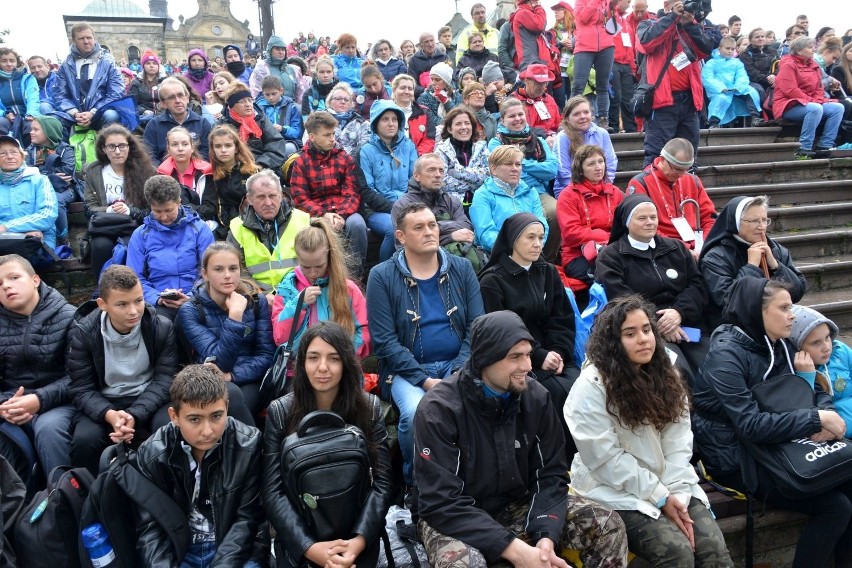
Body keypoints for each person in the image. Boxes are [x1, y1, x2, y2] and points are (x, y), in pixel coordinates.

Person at [413, 309, 628, 567]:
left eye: (527, 354)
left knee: (606, 524)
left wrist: (546, 535)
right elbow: (440, 501)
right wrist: (515, 550)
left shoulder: (536, 397)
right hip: (453, 516)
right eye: (514, 357)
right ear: (484, 359)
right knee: (462, 564)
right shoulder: (439, 409)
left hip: (515, 505)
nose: (527, 366)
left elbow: (551, 474)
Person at [692, 277, 852, 568]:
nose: (793, 314)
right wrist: (814, 418)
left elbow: (816, 388)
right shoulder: (725, 356)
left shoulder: (779, 342)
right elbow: (749, 425)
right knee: (836, 507)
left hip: (780, 442)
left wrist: (826, 419)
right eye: (784, 307)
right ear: (757, 311)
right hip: (734, 457)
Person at [566, 295, 733, 567]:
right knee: (677, 553)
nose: (643, 339)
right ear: (612, 343)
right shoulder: (590, 387)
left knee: (713, 550)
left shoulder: (666, 371)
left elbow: (679, 442)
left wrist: (676, 494)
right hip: (614, 490)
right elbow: (606, 460)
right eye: (630, 334)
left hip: (670, 481)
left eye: (646, 330)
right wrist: (660, 497)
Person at [366, 202, 483, 487]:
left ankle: (470, 482)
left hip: (459, 365)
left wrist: (457, 371)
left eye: (432, 225)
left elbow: (476, 327)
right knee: (417, 412)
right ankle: (415, 486)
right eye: (419, 227)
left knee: (479, 405)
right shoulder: (381, 276)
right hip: (407, 371)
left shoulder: (462, 267)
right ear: (400, 237)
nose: (429, 232)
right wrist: (425, 380)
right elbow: (384, 342)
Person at [263, 321, 393, 567]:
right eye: (313, 358)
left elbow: (383, 483)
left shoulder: (369, 408)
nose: (323, 367)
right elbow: (273, 492)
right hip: (303, 540)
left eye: (333, 358)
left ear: (346, 363)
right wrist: (310, 549)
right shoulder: (280, 412)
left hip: (355, 537)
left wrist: (358, 541)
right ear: (302, 363)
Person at [135, 364, 264, 567]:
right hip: (180, 548)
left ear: (227, 408)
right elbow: (150, 528)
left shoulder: (248, 444)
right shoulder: (152, 453)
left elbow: (247, 520)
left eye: (216, 416)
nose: (207, 431)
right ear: (174, 416)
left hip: (235, 548)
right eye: (194, 419)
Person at [479, 213, 580, 455]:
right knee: (550, 395)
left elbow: (562, 318)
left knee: (582, 386)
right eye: (531, 237)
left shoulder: (547, 272)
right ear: (513, 240)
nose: (538, 244)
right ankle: (555, 462)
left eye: (542, 238)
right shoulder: (492, 281)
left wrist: (558, 351)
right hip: (516, 358)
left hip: (553, 356)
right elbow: (502, 330)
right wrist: (539, 356)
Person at [67, 265, 178, 475]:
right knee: (85, 440)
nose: (134, 311)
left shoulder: (160, 327)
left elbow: (166, 380)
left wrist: (134, 414)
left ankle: (171, 493)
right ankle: (89, 496)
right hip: (105, 402)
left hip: (150, 398)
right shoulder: (85, 333)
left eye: (138, 301)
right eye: (122, 304)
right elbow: (81, 389)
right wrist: (109, 415)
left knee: (169, 428)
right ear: (102, 304)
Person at [595, 194, 710, 383]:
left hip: (687, 322)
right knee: (677, 373)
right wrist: (658, 323)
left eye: (653, 217)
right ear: (626, 222)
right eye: (642, 218)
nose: (650, 222)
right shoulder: (611, 257)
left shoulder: (676, 248)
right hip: (643, 331)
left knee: (712, 365)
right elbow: (621, 297)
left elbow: (697, 284)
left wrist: (678, 313)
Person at [177, 242, 274, 421]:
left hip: (250, 377)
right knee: (230, 397)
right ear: (205, 274)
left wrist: (233, 376)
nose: (228, 276)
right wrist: (235, 317)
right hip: (210, 380)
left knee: (235, 398)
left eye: (233, 268)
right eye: (219, 269)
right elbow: (220, 363)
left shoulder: (256, 301)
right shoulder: (191, 310)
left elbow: (266, 355)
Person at [0, 254, 76, 481]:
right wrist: (5, 405)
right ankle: (14, 508)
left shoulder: (69, 316)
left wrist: (38, 400)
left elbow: (78, 378)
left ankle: (62, 500)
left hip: (60, 402)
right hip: (10, 402)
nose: (6, 286)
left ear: (35, 280)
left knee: (48, 429)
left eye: (14, 277)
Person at [699, 195, 807, 328]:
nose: (761, 227)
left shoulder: (776, 249)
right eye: (754, 221)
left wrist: (776, 265)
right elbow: (729, 301)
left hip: (776, 321)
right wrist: (751, 266)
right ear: (736, 222)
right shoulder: (715, 257)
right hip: (733, 327)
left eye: (764, 220)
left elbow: (798, 291)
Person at [272, 219, 369, 360]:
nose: (312, 273)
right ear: (297, 259)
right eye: (306, 267)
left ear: (329, 257)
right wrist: (298, 304)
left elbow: (365, 331)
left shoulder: (347, 288)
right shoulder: (288, 287)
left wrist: (343, 357)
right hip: (299, 369)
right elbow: (279, 337)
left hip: (341, 368)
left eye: (319, 266)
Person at [126, 175, 215, 320]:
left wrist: (192, 297)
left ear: (179, 202)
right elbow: (134, 277)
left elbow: (210, 271)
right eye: (157, 211)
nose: (164, 217)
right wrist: (157, 298)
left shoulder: (199, 229)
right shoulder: (140, 235)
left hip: (195, 299)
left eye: (169, 210)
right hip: (157, 302)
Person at [637, 1, 714, 166]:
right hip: (661, 101)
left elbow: (705, 50)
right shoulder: (647, 24)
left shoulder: (689, 27)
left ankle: (687, 190)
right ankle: (653, 190)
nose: (683, 6)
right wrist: (672, 17)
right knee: (656, 157)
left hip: (689, 101)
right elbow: (646, 43)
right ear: (667, 4)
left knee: (688, 156)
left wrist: (690, 24)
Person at [289, 111, 367, 266]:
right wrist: (323, 214)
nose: (332, 139)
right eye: (326, 135)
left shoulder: (344, 158)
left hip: (344, 211)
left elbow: (352, 191)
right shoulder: (301, 162)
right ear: (312, 137)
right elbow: (300, 198)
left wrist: (341, 215)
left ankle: (355, 276)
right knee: (312, 230)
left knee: (357, 224)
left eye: (333, 134)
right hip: (315, 213)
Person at [488, 98, 561, 260]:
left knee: (554, 212)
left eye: (520, 114)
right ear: (503, 120)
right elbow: (503, 171)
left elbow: (551, 170)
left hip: (538, 192)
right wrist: (535, 167)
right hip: (506, 193)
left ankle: (545, 259)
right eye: (512, 116)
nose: (517, 119)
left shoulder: (538, 141)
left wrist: (521, 163)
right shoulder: (495, 143)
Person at [83, 124, 154, 276]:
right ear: (103, 149)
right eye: (111, 146)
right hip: (104, 226)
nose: (117, 151)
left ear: (129, 147)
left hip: (133, 226)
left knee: (131, 246)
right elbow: (89, 208)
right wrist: (109, 210)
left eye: (122, 146)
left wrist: (129, 210)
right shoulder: (93, 171)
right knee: (100, 246)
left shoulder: (145, 170)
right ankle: (101, 289)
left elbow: (150, 210)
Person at [625, 137, 715, 256]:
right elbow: (642, 228)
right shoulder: (640, 183)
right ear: (662, 159)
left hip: (698, 246)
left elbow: (709, 217)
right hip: (661, 248)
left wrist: (704, 243)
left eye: (686, 170)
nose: (681, 175)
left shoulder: (692, 180)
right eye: (677, 169)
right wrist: (684, 249)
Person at [226, 169, 311, 291]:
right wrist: (260, 296)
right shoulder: (236, 227)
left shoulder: (303, 221)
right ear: (249, 199)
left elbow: (314, 265)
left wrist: (293, 293)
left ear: (281, 196)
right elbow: (236, 271)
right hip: (257, 300)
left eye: (272, 196)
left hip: (298, 293)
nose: (268, 202)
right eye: (261, 197)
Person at [355, 100, 418, 261]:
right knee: (395, 229)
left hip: (407, 205)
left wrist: (407, 206)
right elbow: (367, 190)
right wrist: (396, 208)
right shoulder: (365, 151)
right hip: (376, 211)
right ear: (376, 123)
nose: (391, 124)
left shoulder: (408, 146)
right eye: (385, 119)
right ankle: (385, 273)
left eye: (394, 119)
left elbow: (415, 180)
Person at [557, 143, 625, 285]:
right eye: (591, 164)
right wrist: (607, 237)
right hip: (577, 255)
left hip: (614, 250)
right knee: (607, 277)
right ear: (580, 170)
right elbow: (571, 233)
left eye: (601, 162)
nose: (598, 167)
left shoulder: (615, 192)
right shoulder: (567, 196)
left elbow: (627, 224)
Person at [470, 145, 548, 254]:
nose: (515, 169)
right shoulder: (482, 195)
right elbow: (486, 233)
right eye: (508, 164)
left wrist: (536, 244)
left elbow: (542, 225)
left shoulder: (531, 191)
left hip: (531, 251)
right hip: (497, 255)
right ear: (493, 169)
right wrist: (516, 249)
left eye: (518, 164)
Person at [391, 153, 475, 251]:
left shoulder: (452, 201)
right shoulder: (402, 206)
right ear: (417, 176)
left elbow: (466, 226)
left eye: (441, 170)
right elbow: (403, 247)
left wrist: (433, 228)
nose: (438, 175)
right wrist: (450, 236)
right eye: (431, 170)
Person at [790, 306, 852, 433]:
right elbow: (805, 411)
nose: (826, 347)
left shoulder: (840, 352)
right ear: (798, 347)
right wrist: (806, 376)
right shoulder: (791, 368)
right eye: (815, 343)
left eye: (827, 337)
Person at [54, 23, 124, 132]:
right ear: (74, 41)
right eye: (81, 38)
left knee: (111, 116)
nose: (86, 41)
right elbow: (59, 94)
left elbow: (116, 93)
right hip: (74, 115)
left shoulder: (108, 62)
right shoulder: (65, 66)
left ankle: (106, 146)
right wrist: (74, 112)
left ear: (94, 39)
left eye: (89, 37)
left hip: (101, 112)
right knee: (53, 119)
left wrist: (93, 112)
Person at [0, 135, 58, 260]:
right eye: (2, 153)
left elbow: (47, 215)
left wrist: (7, 228)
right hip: (4, 241)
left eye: (14, 152)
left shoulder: (40, 180)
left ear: (22, 156)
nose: (9, 156)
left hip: (37, 241)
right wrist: (16, 235)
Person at [25, 116, 78, 246]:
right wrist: (50, 175)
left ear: (49, 132)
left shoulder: (66, 149)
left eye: (36, 129)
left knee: (54, 199)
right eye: (31, 129)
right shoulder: (30, 150)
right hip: (38, 189)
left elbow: (66, 173)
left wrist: (40, 172)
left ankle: (63, 239)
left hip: (64, 190)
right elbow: (27, 171)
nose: (31, 132)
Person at [199, 124, 259, 239]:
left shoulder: (252, 172)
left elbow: (256, 203)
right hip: (226, 226)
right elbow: (220, 209)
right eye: (218, 146)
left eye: (228, 145)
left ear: (236, 148)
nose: (223, 150)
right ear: (212, 149)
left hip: (253, 222)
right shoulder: (211, 175)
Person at [554, 95, 617, 197]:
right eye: (576, 114)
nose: (582, 116)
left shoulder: (602, 133)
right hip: (570, 190)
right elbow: (563, 172)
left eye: (586, 112)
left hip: (601, 187)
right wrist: (585, 191)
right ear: (567, 119)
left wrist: (605, 187)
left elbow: (611, 163)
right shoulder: (562, 137)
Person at [219, 82, 290, 172]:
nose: (248, 104)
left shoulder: (260, 119)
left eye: (249, 100)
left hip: (262, 167)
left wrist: (259, 165)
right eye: (242, 101)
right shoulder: (222, 125)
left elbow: (276, 145)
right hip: (233, 170)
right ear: (231, 105)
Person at [143, 77, 212, 164]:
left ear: (187, 98)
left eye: (180, 95)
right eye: (171, 97)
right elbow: (150, 156)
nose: (178, 101)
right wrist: (166, 173)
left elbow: (207, 154)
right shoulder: (153, 126)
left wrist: (191, 171)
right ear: (163, 104)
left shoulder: (203, 124)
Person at [571, 0, 616, 130]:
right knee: (578, 86)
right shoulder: (580, 2)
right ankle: (571, 117)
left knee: (603, 85)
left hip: (606, 45)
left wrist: (613, 6)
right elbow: (583, 18)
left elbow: (612, 20)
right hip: (584, 45)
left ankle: (603, 120)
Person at [702, 37, 764, 128]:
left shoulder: (737, 62)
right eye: (727, 48)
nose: (730, 51)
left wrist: (738, 87)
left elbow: (742, 76)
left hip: (735, 89)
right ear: (719, 49)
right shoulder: (711, 63)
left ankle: (755, 117)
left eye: (732, 49)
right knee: (721, 99)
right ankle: (713, 122)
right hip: (718, 91)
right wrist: (720, 88)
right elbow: (707, 79)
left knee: (751, 92)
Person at [433, 106, 490, 203]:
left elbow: (489, 175)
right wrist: (474, 183)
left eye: (467, 123)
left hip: (480, 202)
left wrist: (457, 171)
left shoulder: (482, 148)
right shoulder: (441, 150)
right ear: (450, 129)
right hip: (451, 205)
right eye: (458, 124)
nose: (464, 127)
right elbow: (442, 181)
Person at [155, 126, 212, 208]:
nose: (180, 149)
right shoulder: (161, 175)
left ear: (192, 148)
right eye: (174, 145)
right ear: (168, 149)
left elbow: (209, 207)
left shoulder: (206, 172)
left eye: (185, 144)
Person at [608, 0, 639, 133]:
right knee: (616, 98)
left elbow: (630, 46)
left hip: (626, 65)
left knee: (628, 98)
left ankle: (631, 127)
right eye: (627, 1)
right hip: (613, 63)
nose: (629, 4)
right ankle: (614, 128)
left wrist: (632, 67)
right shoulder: (610, 16)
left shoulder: (626, 22)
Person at [257, 75, 303, 155]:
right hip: (265, 141)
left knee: (289, 148)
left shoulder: (292, 107)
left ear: (281, 91)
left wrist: (283, 129)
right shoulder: (258, 108)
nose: (271, 97)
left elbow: (297, 133)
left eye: (274, 94)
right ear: (263, 93)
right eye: (267, 95)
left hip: (286, 141)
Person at [391, 74, 436, 155]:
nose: (407, 91)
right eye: (402, 88)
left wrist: (415, 157)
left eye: (410, 89)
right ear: (394, 90)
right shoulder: (385, 112)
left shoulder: (424, 112)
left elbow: (429, 139)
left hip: (418, 160)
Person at [0, 48, 39, 142]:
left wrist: (31, 113)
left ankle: (34, 153)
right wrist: (5, 114)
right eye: (4, 61)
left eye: (12, 60)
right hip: (6, 116)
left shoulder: (28, 78)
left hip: (27, 114)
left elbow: (33, 98)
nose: (9, 64)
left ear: (17, 62)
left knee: (31, 125)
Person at [322, 83, 371, 156]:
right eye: (338, 99)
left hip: (353, 163)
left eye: (346, 99)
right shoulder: (319, 120)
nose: (342, 102)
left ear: (351, 103)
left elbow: (366, 148)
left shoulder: (362, 123)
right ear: (329, 102)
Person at [515, 63, 562, 135]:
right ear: (526, 81)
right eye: (537, 83)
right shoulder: (515, 101)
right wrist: (544, 136)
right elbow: (517, 128)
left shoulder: (549, 99)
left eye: (545, 83)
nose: (542, 87)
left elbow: (558, 123)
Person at [249, 36, 301, 101]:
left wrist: (297, 108)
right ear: (270, 50)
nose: (281, 52)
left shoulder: (293, 69)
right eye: (277, 49)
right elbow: (256, 94)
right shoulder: (261, 69)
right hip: (268, 109)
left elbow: (301, 94)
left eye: (283, 49)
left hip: (292, 108)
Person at [740, 28, 777, 108]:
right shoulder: (745, 54)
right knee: (760, 91)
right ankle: (759, 116)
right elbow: (750, 71)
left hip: (773, 79)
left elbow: (779, 65)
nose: (760, 39)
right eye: (757, 37)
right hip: (755, 81)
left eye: (762, 36)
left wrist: (774, 76)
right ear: (750, 40)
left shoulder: (773, 51)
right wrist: (766, 78)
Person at [127, 49, 163, 125]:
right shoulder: (136, 83)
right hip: (144, 116)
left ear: (158, 66)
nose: (152, 66)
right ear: (143, 66)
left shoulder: (165, 81)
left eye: (154, 63)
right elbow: (131, 103)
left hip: (163, 114)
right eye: (148, 63)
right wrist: (143, 111)